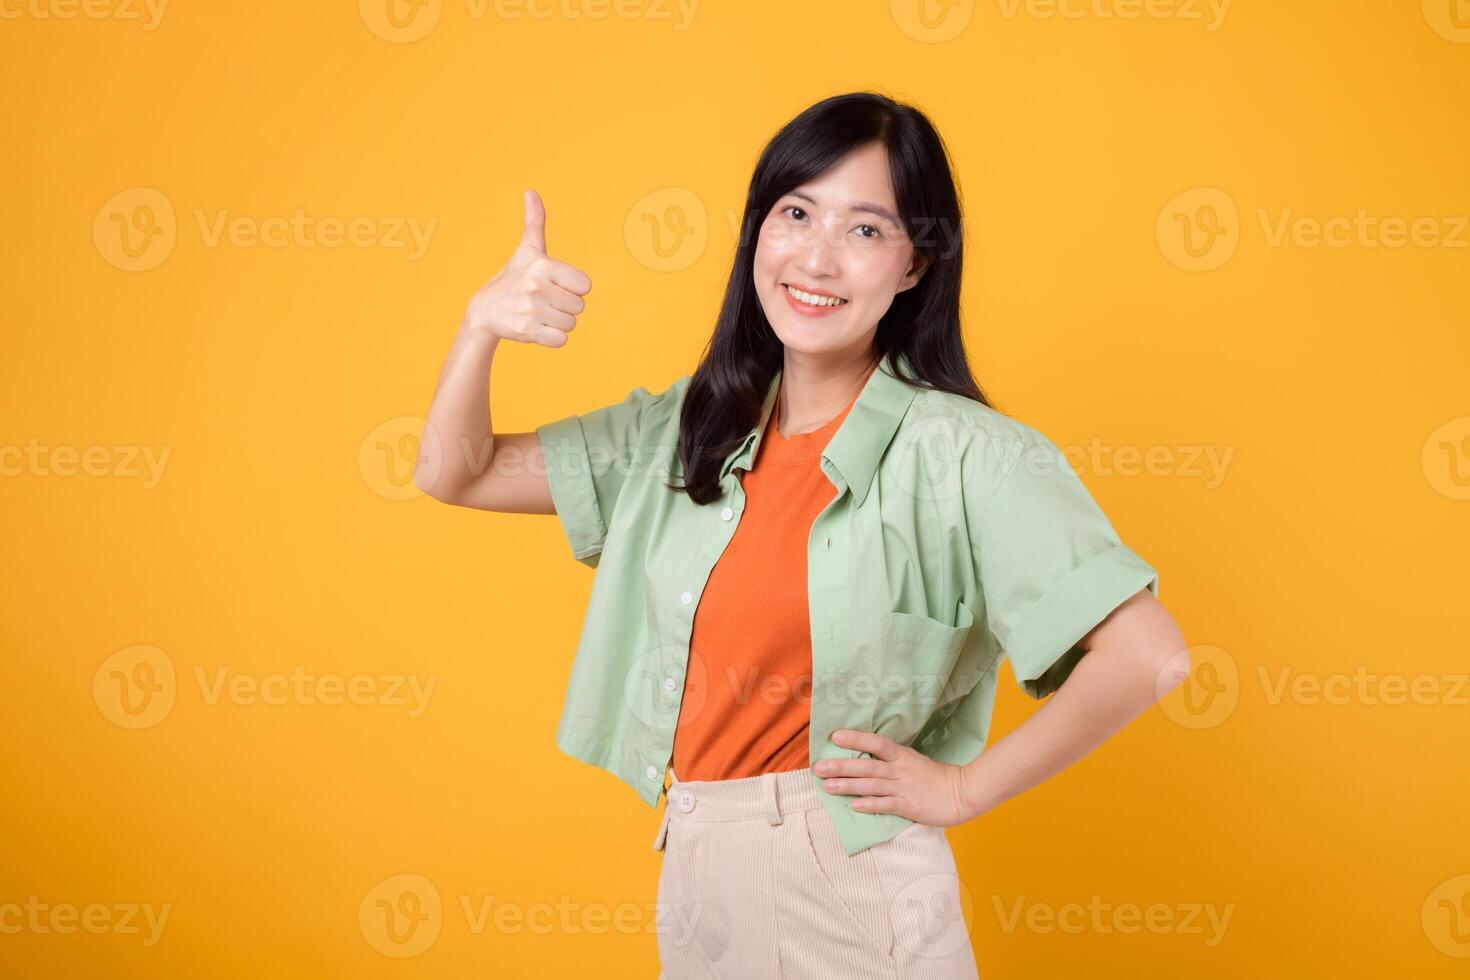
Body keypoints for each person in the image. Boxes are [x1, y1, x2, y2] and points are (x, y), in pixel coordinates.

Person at [413, 91, 1188, 979]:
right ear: (757, 234)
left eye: (865, 230)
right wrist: (480, 330)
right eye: (795, 213)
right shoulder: (686, 432)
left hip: (843, 884)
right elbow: (456, 470)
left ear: (914, 266)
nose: (816, 256)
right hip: (700, 864)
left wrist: (963, 789)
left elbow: (1148, 656)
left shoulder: (967, 454)